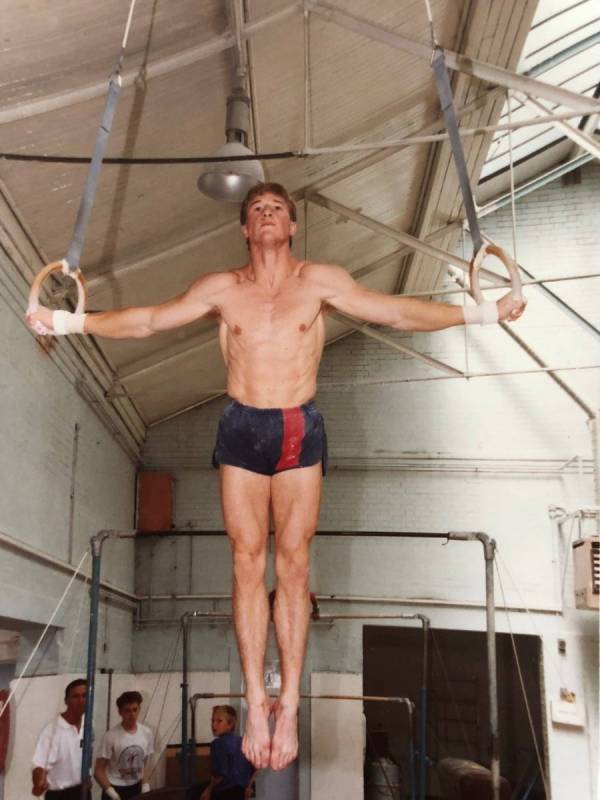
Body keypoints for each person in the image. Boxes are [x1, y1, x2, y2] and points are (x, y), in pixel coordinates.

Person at [27, 182, 525, 771]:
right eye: (256, 209)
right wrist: (67, 321)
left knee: (293, 563)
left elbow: (394, 311)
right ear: (245, 229)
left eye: (277, 210)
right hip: (240, 425)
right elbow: (152, 321)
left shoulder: (320, 281)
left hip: (297, 426)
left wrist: (482, 310)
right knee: (244, 561)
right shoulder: (221, 288)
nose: (266, 215)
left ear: (291, 227)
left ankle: (288, 702)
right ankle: (254, 701)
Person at [31, 678, 90, 799]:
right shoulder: (51, 731)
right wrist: (39, 782)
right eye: (75, 696)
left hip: (83, 791)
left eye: (85, 696)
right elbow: (39, 765)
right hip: (60, 795)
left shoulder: (89, 724)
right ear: (66, 701)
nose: (81, 701)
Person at [94, 690, 153, 799]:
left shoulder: (147, 733)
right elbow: (98, 770)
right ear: (120, 712)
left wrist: (145, 785)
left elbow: (144, 763)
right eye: (128, 711)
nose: (132, 715)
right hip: (115, 787)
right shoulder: (110, 736)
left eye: (135, 710)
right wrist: (112, 793)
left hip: (136, 787)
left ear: (139, 709)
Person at [200, 706, 254, 800]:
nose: (214, 725)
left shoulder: (217, 744)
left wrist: (208, 790)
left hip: (225, 793)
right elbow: (255, 767)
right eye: (212, 721)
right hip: (242, 792)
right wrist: (249, 787)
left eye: (219, 721)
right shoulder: (244, 741)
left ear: (230, 724)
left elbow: (219, 774)